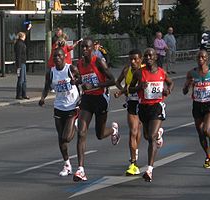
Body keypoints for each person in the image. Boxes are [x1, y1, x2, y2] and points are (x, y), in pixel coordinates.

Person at [73, 38, 120, 182]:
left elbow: (113, 80)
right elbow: (83, 79)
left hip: (100, 99)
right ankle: (81, 169)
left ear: (93, 47)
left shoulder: (98, 61)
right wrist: (78, 81)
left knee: (100, 134)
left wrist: (95, 85)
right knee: (81, 133)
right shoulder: (79, 63)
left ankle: (113, 130)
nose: (84, 49)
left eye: (87, 47)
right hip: (87, 100)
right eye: (82, 47)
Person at [129, 48, 174, 182]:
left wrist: (168, 91)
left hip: (157, 107)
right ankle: (158, 134)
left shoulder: (161, 72)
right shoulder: (139, 73)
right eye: (146, 55)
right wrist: (138, 88)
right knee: (148, 136)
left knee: (152, 137)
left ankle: (149, 169)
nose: (148, 57)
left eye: (151, 55)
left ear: (155, 57)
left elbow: (171, 83)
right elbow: (130, 88)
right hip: (143, 107)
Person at [38, 47, 81, 177]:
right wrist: (42, 98)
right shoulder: (50, 72)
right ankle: (67, 164)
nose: (56, 58)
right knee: (61, 138)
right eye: (54, 56)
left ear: (64, 57)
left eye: (59, 56)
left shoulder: (70, 69)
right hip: (59, 106)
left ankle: (75, 122)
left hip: (72, 106)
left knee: (66, 137)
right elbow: (47, 86)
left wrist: (81, 95)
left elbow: (81, 80)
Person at [183, 50, 210, 169]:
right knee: (200, 131)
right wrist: (187, 86)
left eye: (203, 57)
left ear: (206, 59)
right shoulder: (192, 73)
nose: (200, 59)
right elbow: (185, 90)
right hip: (197, 104)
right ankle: (208, 156)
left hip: (209, 103)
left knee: (205, 130)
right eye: (198, 57)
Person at [114, 49, 143, 176]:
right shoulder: (127, 70)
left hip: (145, 104)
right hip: (131, 102)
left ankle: (157, 135)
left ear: (140, 59)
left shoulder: (145, 70)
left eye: (135, 59)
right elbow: (118, 82)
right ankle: (133, 162)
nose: (133, 61)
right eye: (131, 59)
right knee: (133, 131)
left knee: (144, 132)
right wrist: (122, 91)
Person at [14, 32, 29, 100]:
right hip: (21, 63)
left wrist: (28, 29)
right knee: (21, 79)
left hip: (23, 63)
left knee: (24, 80)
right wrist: (18, 66)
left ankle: (24, 94)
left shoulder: (20, 43)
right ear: (22, 36)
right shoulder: (19, 44)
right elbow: (18, 55)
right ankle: (19, 95)